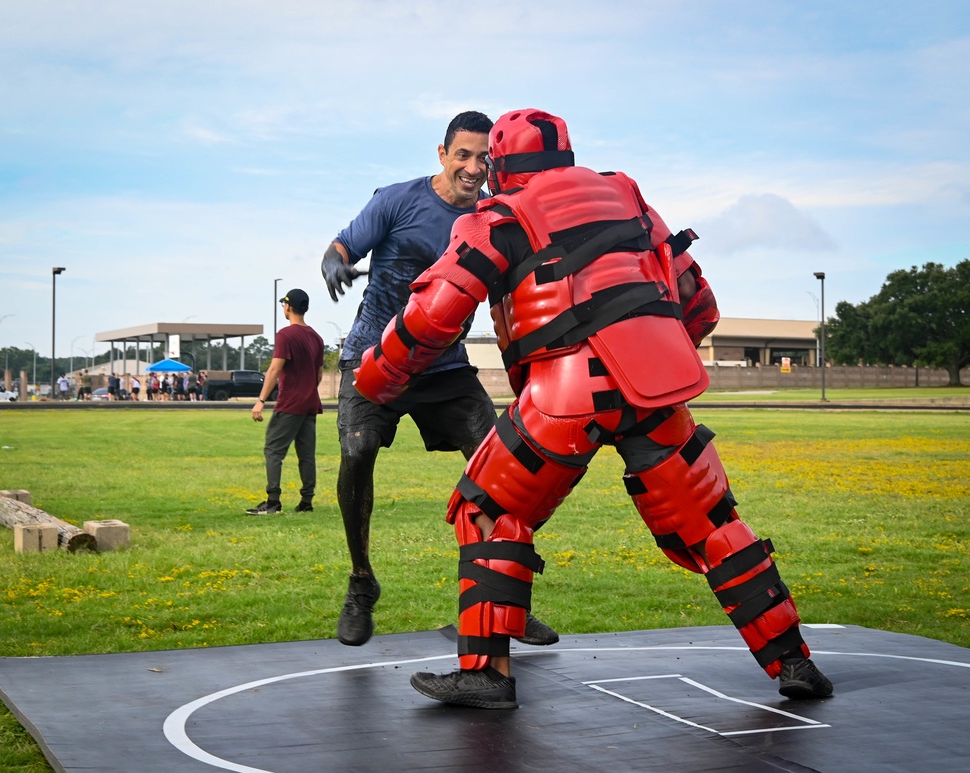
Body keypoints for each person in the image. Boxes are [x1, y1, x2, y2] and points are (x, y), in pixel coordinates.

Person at [354, 108, 834, 709]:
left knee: (485, 511)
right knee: (713, 525)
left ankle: (487, 673)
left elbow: (433, 316)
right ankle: (793, 661)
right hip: (654, 388)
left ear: (502, 164)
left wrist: (378, 374)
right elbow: (699, 302)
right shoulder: (627, 195)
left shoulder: (499, 216)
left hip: (565, 396)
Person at [321, 110, 558, 650]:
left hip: (445, 369)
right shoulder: (397, 200)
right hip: (373, 360)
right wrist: (333, 264)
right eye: (464, 155)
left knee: (509, 475)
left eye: (485, 159)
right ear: (442, 154)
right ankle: (362, 582)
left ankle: (509, 603)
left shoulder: (499, 216)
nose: (474, 168)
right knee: (356, 455)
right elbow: (340, 248)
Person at [246, 288, 325, 515]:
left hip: (290, 403)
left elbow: (274, 369)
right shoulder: (317, 338)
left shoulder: (285, 335)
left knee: (273, 451)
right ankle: (306, 502)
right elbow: (318, 375)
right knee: (306, 455)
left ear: (288, 307)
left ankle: (273, 502)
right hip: (310, 403)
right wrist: (307, 390)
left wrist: (261, 400)